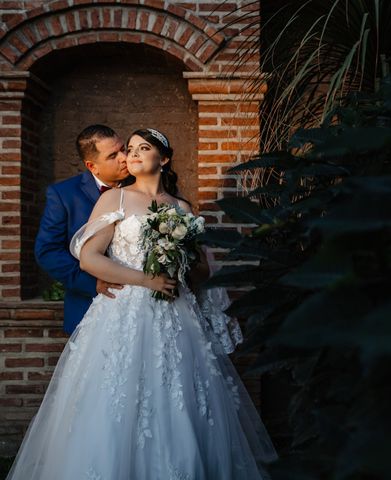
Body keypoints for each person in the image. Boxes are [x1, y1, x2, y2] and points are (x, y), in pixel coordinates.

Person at [6, 128, 278, 479]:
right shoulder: (114, 200)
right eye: (129, 149)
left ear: (163, 159)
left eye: (141, 148)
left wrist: (179, 258)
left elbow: (201, 271)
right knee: (115, 402)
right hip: (123, 312)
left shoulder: (181, 208)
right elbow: (89, 259)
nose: (131, 154)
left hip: (176, 315)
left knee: (179, 398)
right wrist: (146, 279)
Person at [35, 124, 130, 335]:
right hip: (89, 306)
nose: (124, 157)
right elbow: (48, 251)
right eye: (113, 155)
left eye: (123, 148)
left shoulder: (146, 183)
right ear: (92, 166)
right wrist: (92, 283)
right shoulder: (63, 195)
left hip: (142, 304)